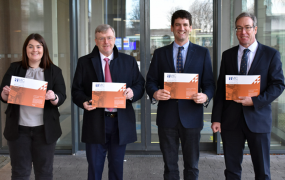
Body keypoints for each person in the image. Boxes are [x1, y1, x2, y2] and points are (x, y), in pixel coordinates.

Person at [211, 12, 285, 180]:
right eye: (239, 28)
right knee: (232, 171)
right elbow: (221, 89)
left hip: (258, 120)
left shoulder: (270, 55)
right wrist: (216, 118)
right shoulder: (227, 55)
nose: (243, 32)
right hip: (231, 121)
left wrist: (255, 101)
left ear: (255, 29)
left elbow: (278, 85)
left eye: (247, 27)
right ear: (235, 31)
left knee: (263, 171)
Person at [146, 10, 215, 180]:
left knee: (192, 166)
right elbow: (150, 81)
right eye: (178, 24)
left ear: (190, 28)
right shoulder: (160, 53)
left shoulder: (202, 53)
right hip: (167, 117)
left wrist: (205, 96)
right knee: (170, 166)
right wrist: (155, 92)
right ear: (172, 28)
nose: (181, 28)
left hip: (192, 117)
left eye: (185, 25)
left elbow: (209, 84)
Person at [72, 24, 145, 180]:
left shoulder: (128, 61)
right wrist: (84, 102)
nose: (106, 41)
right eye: (101, 38)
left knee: (117, 168)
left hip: (120, 123)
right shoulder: (84, 62)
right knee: (94, 168)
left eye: (109, 38)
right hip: (95, 122)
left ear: (115, 39)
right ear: (96, 41)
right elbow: (76, 91)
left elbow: (140, 84)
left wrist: (132, 92)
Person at [0, 33, 66, 180]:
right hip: (18, 130)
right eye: (30, 46)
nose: (34, 50)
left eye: (38, 46)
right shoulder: (15, 68)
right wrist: (5, 93)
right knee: (19, 172)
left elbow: (61, 96)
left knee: (44, 173)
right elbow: (2, 94)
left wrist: (53, 97)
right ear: (25, 49)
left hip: (44, 131)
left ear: (44, 49)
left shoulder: (54, 71)